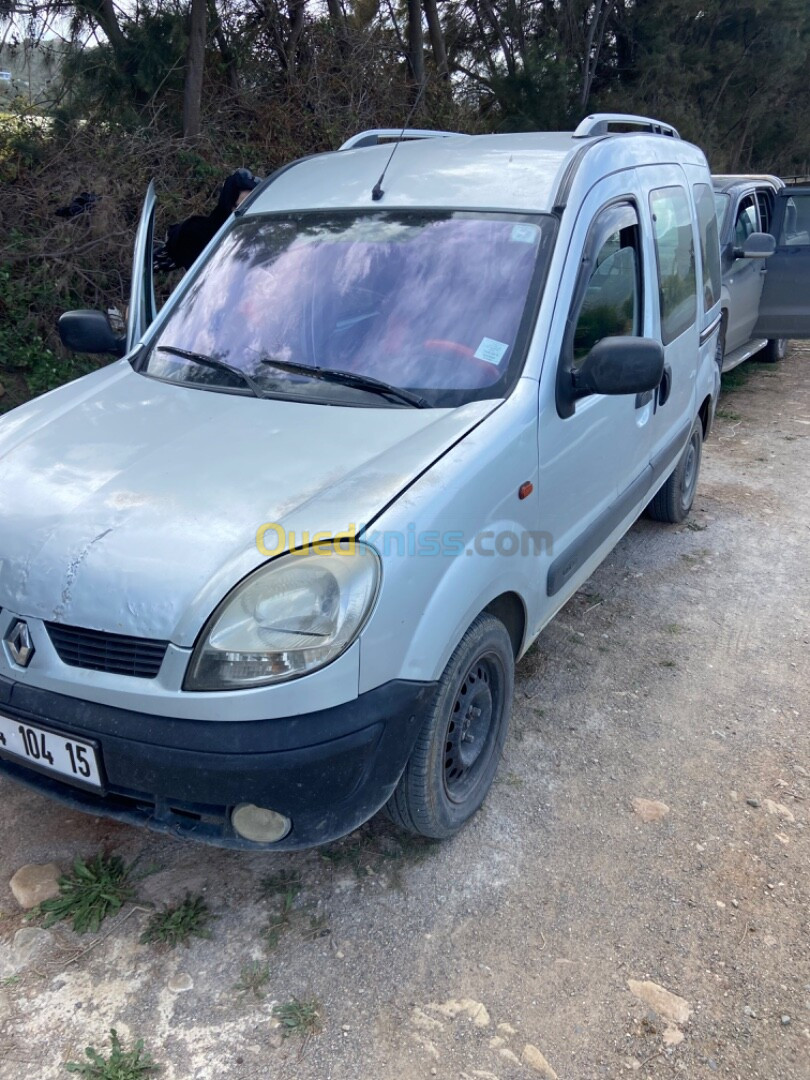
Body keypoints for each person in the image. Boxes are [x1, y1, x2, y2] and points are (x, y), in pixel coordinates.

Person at [153, 168, 260, 272]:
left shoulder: (253, 242)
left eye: (249, 206)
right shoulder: (195, 232)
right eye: (239, 206)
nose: (243, 212)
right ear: (229, 202)